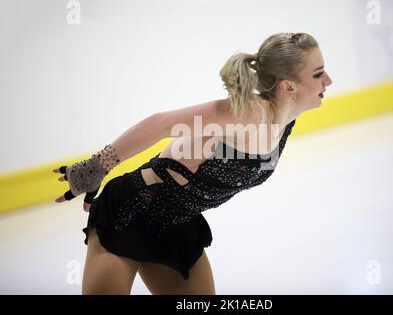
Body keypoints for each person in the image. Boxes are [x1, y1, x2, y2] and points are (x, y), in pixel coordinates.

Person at [52, 32, 332, 295]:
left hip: (177, 223)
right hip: (130, 211)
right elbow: (160, 124)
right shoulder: (248, 114)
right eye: (318, 74)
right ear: (288, 86)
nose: (328, 80)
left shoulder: (286, 119)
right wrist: (95, 168)